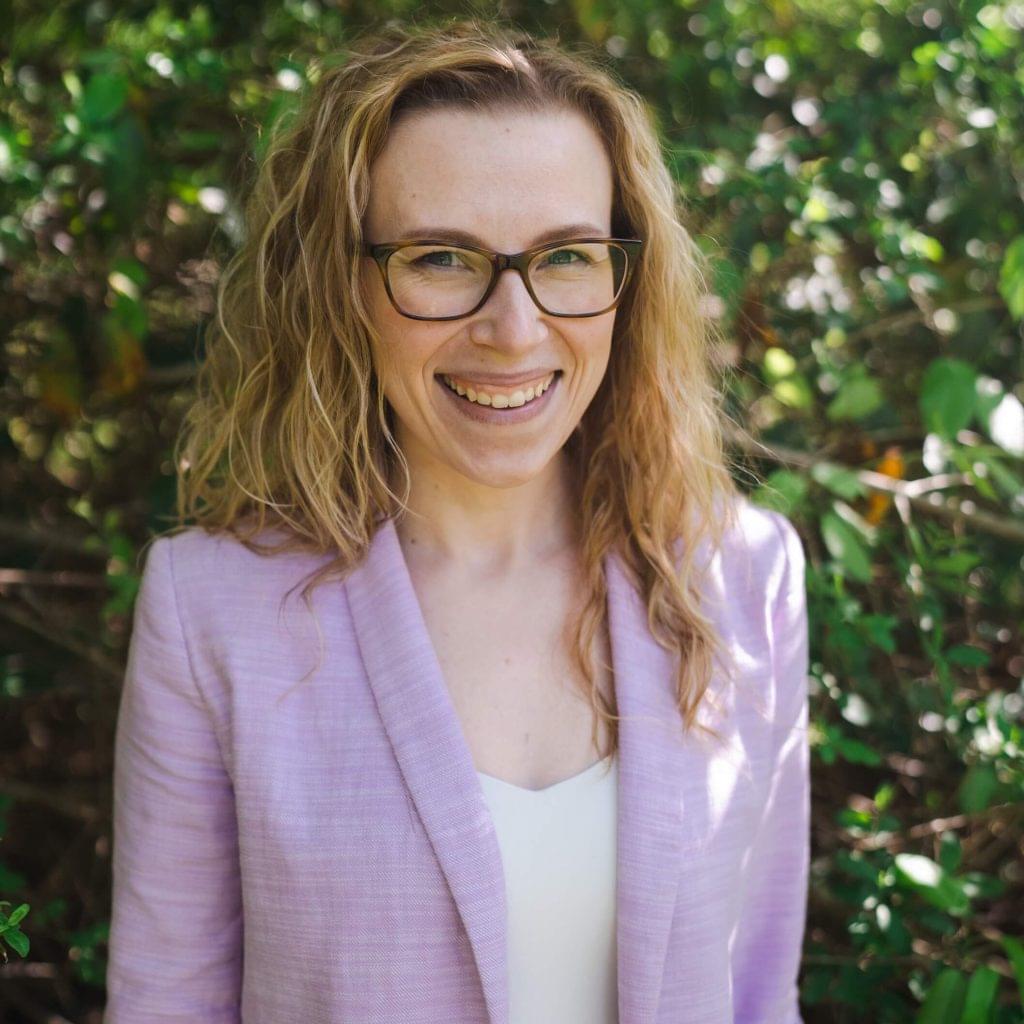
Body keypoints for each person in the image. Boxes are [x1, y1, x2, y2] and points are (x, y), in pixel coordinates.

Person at [102, 18, 811, 1024]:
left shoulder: (745, 579)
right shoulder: (213, 609)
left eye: (566, 255)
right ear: (345, 285)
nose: (512, 330)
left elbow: (756, 995)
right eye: (441, 257)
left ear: (626, 276)